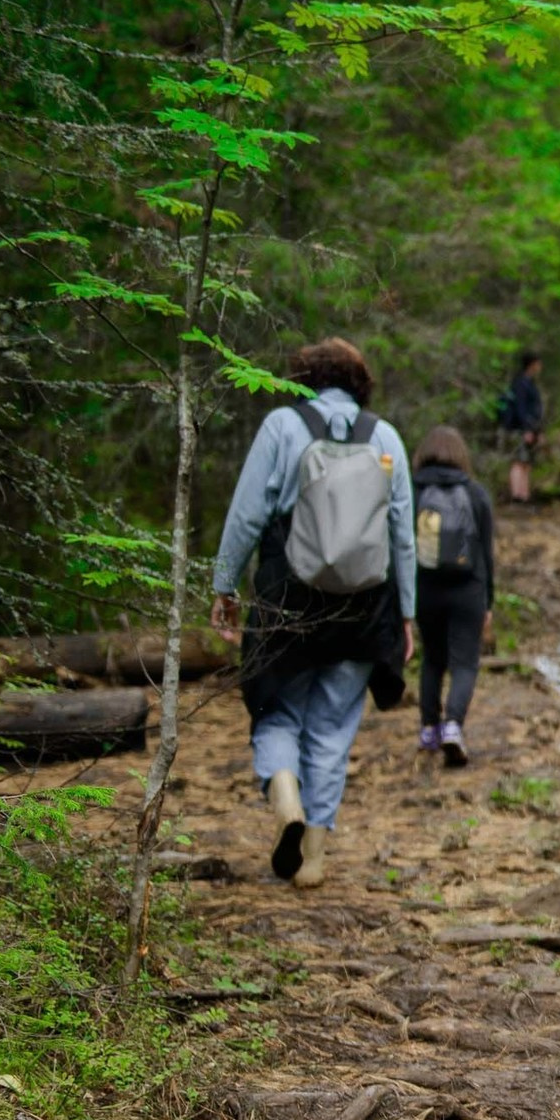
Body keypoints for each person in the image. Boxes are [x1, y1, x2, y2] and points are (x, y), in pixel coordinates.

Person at [209, 337, 415, 890]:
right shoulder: (386, 436)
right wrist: (407, 614)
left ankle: (286, 801)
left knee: (275, 711)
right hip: (364, 607)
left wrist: (224, 585)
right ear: (359, 382)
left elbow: (247, 514)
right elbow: (403, 538)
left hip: (287, 598)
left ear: (303, 376)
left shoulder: (282, 425)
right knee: (332, 729)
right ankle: (315, 860)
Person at [409, 425, 496, 769]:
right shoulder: (474, 493)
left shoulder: (412, 490)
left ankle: (429, 728)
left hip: (425, 588)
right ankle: (453, 727)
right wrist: (488, 600)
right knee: (464, 662)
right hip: (468, 589)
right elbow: (486, 552)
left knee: (433, 658)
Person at [500, 351, 544, 503]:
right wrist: (526, 429)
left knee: (527, 462)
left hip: (531, 428)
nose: (540, 366)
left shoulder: (530, 383)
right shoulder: (520, 383)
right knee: (518, 461)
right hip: (519, 429)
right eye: (538, 363)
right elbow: (521, 408)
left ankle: (524, 494)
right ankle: (516, 495)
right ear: (532, 364)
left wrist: (537, 430)